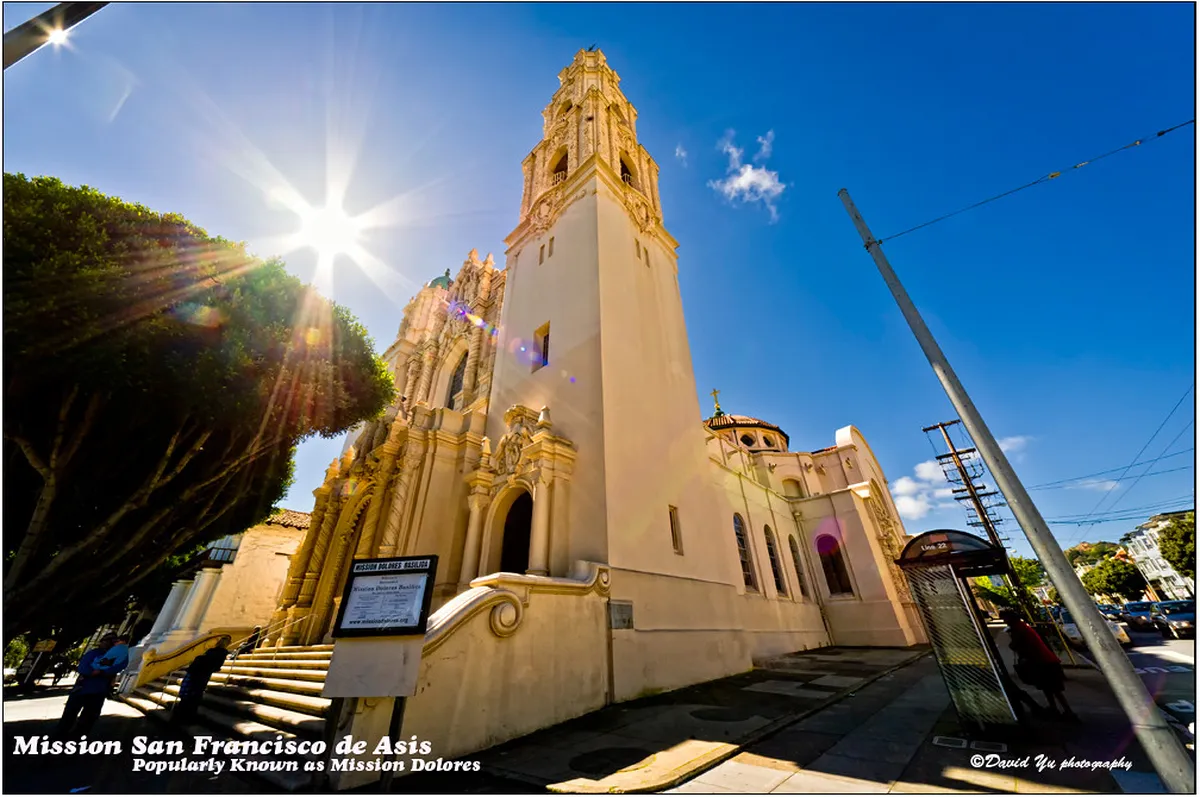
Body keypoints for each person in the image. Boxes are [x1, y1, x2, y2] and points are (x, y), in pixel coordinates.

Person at [1000, 609, 1078, 722]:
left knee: (1053, 689)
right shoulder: (1022, 627)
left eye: (1005, 619)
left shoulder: (1019, 629)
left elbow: (1015, 645)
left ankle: (1067, 711)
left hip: (1043, 661)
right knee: (1047, 688)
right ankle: (1055, 708)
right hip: (1043, 661)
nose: (1005, 622)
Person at [52, 632, 129, 739]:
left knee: (89, 718)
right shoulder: (93, 653)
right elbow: (83, 668)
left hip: (99, 690)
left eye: (113, 641)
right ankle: (60, 735)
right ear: (101, 642)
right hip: (82, 689)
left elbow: (118, 667)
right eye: (107, 640)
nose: (109, 643)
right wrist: (95, 672)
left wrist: (101, 672)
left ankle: (78, 737)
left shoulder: (117, 655)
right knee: (69, 714)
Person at [171, 636, 230, 725]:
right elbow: (217, 666)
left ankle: (179, 716)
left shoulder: (210, 650)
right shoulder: (223, 653)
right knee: (196, 694)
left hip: (193, 673)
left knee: (187, 694)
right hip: (203, 675)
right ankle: (189, 717)